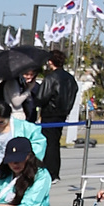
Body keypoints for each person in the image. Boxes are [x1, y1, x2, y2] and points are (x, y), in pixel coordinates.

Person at [34, 50, 78, 180]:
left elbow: (41, 97)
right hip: (62, 113)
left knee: (49, 143)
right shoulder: (70, 79)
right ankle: (54, 171)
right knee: (55, 142)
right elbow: (73, 93)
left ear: (50, 62)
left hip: (50, 113)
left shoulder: (51, 78)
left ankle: (50, 172)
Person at [0, 99, 45, 171]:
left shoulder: (25, 127)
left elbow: (39, 143)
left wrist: (25, 157)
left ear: (9, 116)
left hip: (17, 167)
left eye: (1, 122)